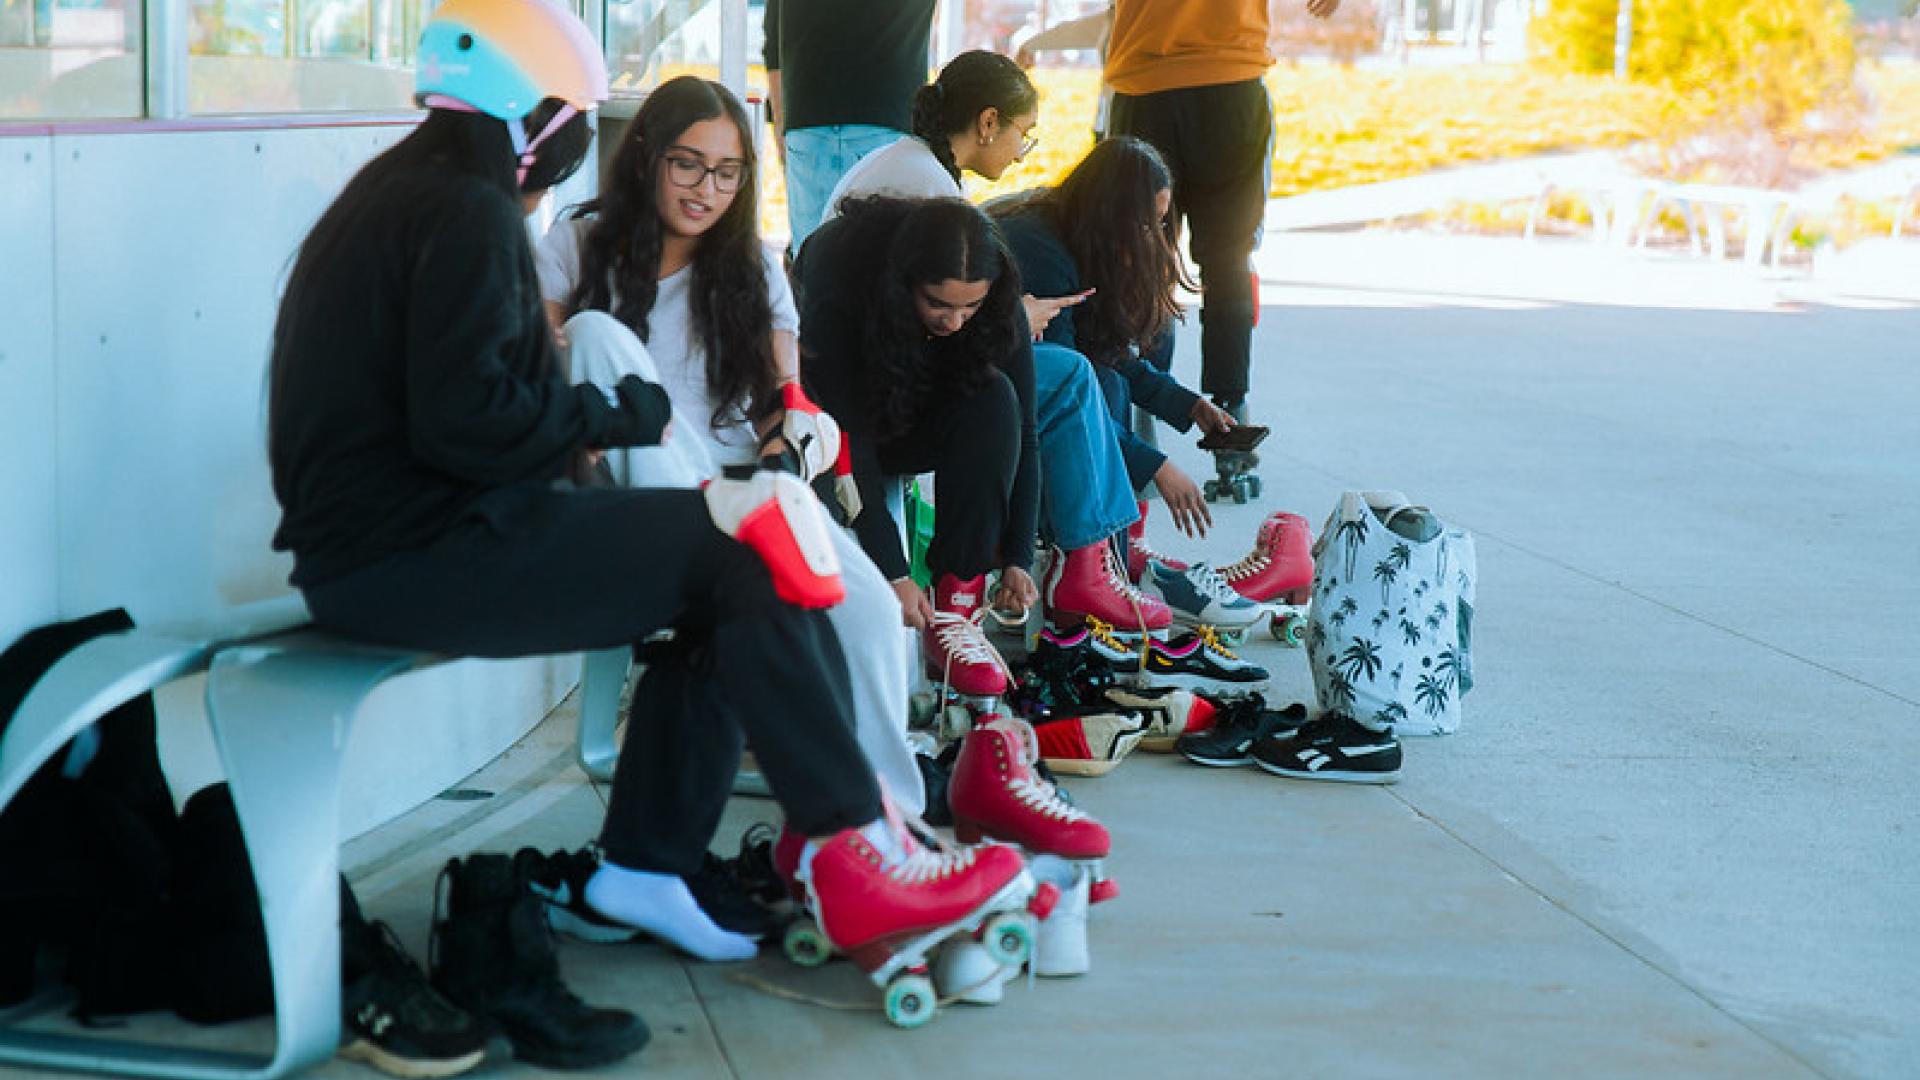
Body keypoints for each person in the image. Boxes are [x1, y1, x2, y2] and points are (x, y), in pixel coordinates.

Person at [266, 0, 1028, 1060]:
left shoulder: (417, 195)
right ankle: (857, 858)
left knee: (726, 565)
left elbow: (460, 407)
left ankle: (650, 866)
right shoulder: (467, 212)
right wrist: (611, 416)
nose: (582, 134)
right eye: (576, 113)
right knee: (735, 553)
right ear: (529, 112)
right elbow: (472, 420)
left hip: (405, 542)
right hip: (408, 556)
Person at [531, 75, 925, 817]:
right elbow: (540, 354)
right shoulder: (579, 241)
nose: (705, 188)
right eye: (687, 163)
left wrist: (784, 455)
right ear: (646, 154)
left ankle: (884, 821)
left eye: (726, 171)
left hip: (748, 487)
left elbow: (791, 404)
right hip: (639, 488)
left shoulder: (749, 267)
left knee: (871, 610)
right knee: (594, 334)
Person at [793, 196, 1170, 704]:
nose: (954, 322)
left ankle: (957, 604)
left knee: (995, 397)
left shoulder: (996, 307)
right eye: (939, 305)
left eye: (969, 307)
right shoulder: (841, 287)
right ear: (904, 284)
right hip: (834, 419)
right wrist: (895, 572)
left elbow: (1026, 431)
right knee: (850, 458)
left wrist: (1015, 556)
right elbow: (848, 447)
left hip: (914, 409)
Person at [991, 137, 1269, 632]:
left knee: (1125, 359)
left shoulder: (1080, 234)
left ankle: (1108, 561)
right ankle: (1089, 565)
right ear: (1110, 212)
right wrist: (1155, 465)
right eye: (1145, 222)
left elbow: (1106, 348)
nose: (1154, 236)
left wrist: (1187, 407)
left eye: (1162, 222)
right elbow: (1065, 388)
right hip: (989, 386)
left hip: (1033, 381)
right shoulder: (1042, 251)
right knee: (1100, 386)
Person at [1102, 0, 1339, 466]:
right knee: (1228, 257)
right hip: (1228, 81)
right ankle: (1230, 411)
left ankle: (1138, 399)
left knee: (1142, 253)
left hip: (1147, 77)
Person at [761, 0, 937, 254]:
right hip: (888, 114)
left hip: (808, 114)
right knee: (884, 269)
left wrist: (781, 121)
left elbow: (773, 35)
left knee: (813, 265)